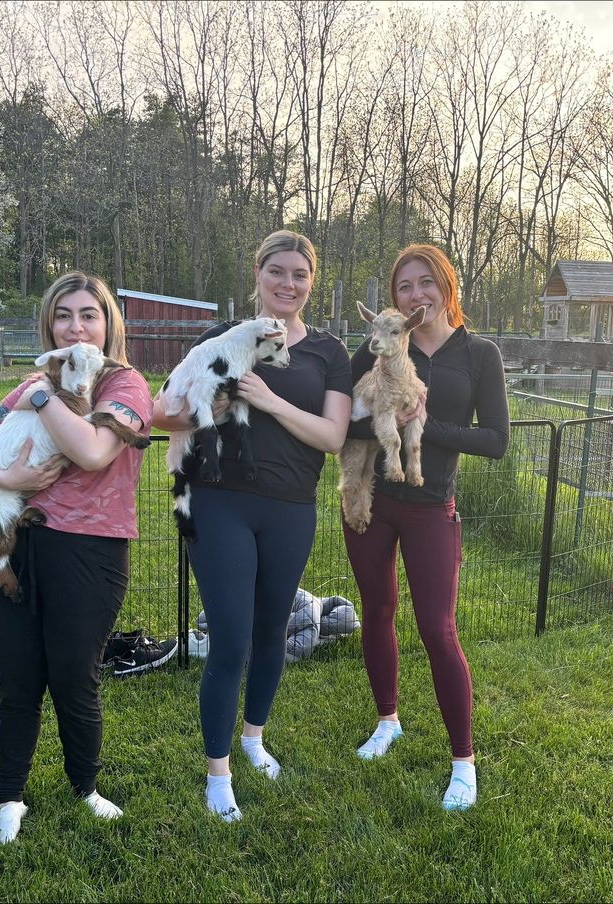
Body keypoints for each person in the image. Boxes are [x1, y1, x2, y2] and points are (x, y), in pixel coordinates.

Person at [152, 230, 352, 822]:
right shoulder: (223, 339)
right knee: (232, 640)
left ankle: (253, 737)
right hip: (221, 503)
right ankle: (219, 775)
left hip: (291, 508)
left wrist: (267, 400)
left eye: (300, 275)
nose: (288, 284)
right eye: (277, 272)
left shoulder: (327, 353)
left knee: (271, 634)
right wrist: (202, 411)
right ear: (258, 274)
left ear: (311, 283)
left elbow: (334, 438)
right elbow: (164, 409)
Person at [0, 272, 153, 844]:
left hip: (90, 552)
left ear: (107, 323)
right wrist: (9, 475)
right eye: (64, 315)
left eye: (88, 314)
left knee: (74, 675)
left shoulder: (125, 385)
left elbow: (93, 452)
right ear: (49, 325)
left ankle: (85, 786)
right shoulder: (32, 382)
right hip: (20, 543)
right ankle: (10, 797)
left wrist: (43, 396)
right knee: (18, 678)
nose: (76, 325)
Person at [342, 244, 509, 811]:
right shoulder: (378, 351)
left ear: (445, 286)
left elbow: (496, 442)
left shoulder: (478, 355)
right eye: (405, 286)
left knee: (438, 629)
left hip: (431, 505)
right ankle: (387, 720)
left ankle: (464, 761)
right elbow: (347, 416)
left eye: (425, 283)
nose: (416, 294)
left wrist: (428, 424)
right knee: (378, 611)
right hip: (373, 498)